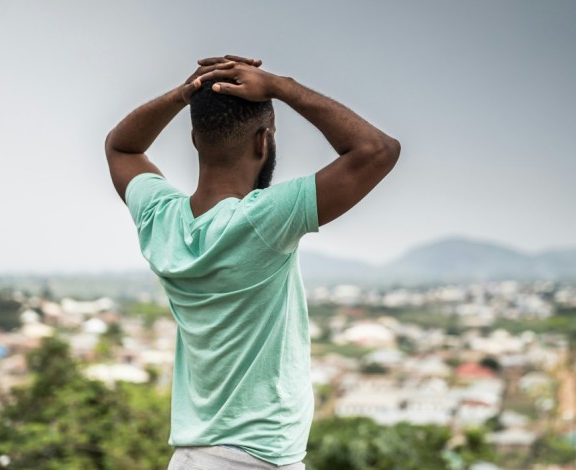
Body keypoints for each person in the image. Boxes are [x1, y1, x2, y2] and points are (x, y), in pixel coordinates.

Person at [105, 54, 401, 469]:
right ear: (264, 140)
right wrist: (283, 86)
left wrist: (183, 93)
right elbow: (378, 150)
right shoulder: (263, 221)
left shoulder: (161, 218)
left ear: (194, 141)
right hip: (257, 458)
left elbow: (121, 146)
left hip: (190, 457)